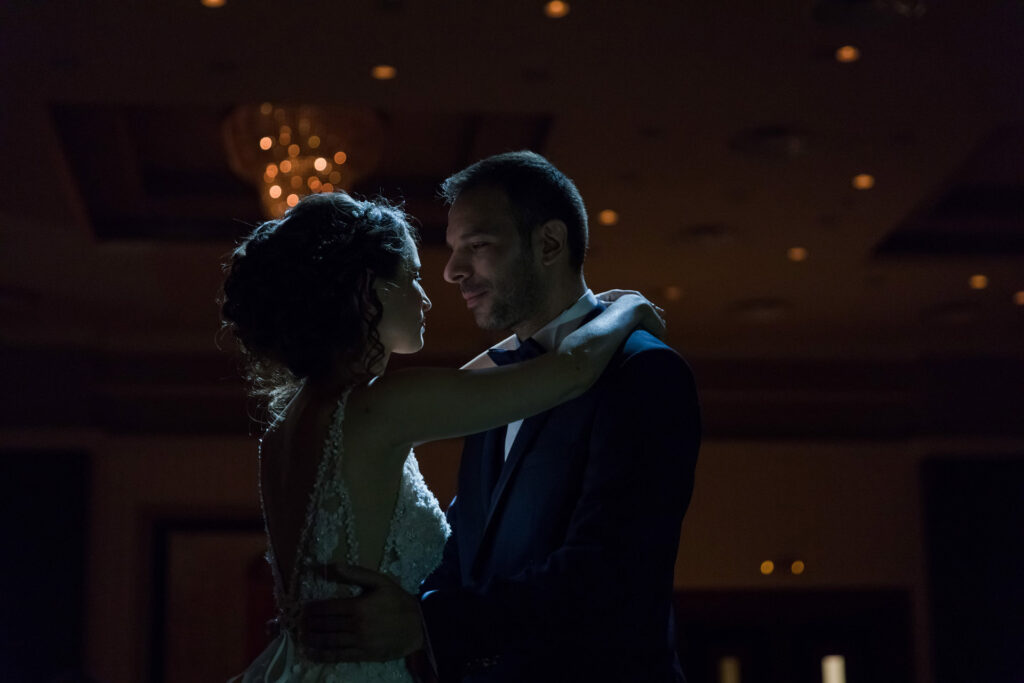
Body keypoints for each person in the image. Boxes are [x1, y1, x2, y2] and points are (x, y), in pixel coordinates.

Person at [220, 190, 664, 682]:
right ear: (371, 289)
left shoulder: (294, 424)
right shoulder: (382, 408)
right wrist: (628, 308)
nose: (428, 296)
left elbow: (484, 375)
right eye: (411, 276)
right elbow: (572, 370)